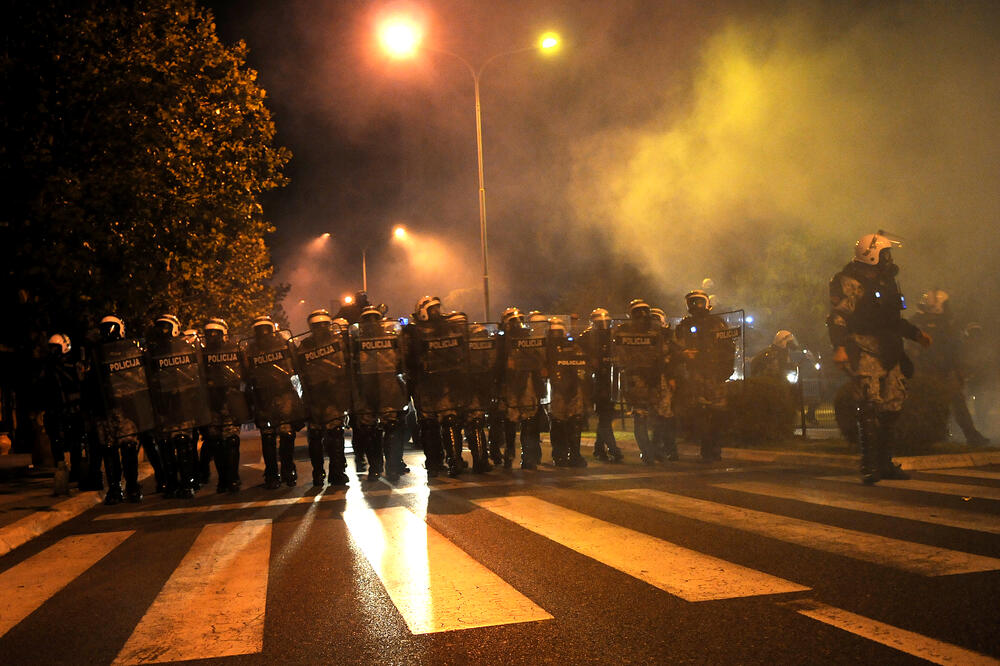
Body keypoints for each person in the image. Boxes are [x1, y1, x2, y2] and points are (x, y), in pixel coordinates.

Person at [827, 232, 932, 484]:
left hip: (890, 350)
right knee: (869, 406)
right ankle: (869, 466)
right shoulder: (850, 282)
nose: (889, 258)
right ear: (872, 254)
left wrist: (916, 335)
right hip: (864, 350)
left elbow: (893, 320)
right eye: (885, 254)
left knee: (892, 406)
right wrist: (839, 347)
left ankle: (885, 464)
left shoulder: (887, 283)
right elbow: (838, 318)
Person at [910, 290, 989, 445]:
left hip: (941, 369)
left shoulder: (940, 322)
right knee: (942, 404)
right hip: (930, 369)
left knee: (956, 403)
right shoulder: (932, 323)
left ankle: (970, 435)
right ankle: (960, 435)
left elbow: (953, 347)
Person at [146, 314, 212, 499]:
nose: (162, 331)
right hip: (164, 406)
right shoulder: (152, 351)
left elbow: (197, 375)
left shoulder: (185, 347)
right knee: (166, 446)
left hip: (184, 403)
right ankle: (171, 483)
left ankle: (189, 481)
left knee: (185, 443)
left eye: (165, 326)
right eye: (160, 327)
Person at [91, 315, 156, 504]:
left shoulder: (127, 351)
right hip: (108, 410)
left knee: (125, 448)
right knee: (113, 449)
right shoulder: (96, 354)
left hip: (122, 409)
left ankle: (129, 487)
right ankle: (118, 488)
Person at [405, 297, 470, 477]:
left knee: (448, 420)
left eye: (437, 309)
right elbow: (408, 359)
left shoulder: (446, 328)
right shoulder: (413, 332)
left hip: (444, 382)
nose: (437, 312)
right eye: (432, 309)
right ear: (423, 312)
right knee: (429, 424)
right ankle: (436, 463)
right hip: (425, 384)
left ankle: (453, 461)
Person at [243, 315, 306, 489]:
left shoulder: (284, 344)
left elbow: (297, 365)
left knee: (286, 434)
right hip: (263, 397)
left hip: (283, 394)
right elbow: (245, 375)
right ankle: (271, 473)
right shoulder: (250, 350)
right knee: (268, 435)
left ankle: (287, 469)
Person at [292, 310, 353, 486]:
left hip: (328, 396)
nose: (321, 329)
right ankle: (326, 473)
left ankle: (329, 473)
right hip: (318, 397)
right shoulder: (310, 345)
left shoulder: (309, 345)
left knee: (328, 435)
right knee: (324, 435)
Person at [352, 305, 409, 482]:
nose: (371, 323)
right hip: (373, 390)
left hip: (384, 389)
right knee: (372, 430)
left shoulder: (388, 338)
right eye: (368, 319)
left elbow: (402, 361)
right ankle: (380, 468)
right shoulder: (355, 342)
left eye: (373, 319)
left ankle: (387, 467)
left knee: (387, 427)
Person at [677, 290, 735, 462]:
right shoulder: (685, 325)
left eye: (699, 301)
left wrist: (726, 370)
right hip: (696, 376)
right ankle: (706, 448)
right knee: (701, 414)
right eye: (693, 302)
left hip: (715, 375)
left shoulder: (718, 323)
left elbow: (728, 347)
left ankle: (715, 449)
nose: (696, 305)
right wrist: (685, 354)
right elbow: (675, 348)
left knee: (717, 414)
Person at [613, 299, 670, 464]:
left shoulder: (654, 330)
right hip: (639, 380)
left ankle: (651, 452)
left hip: (648, 379)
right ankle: (650, 452)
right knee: (646, 416)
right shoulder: (626, 331)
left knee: (652, 417)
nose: (642, 316)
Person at [202, 317, 250, 493]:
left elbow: (246, 372)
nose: (212, 337)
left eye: (216, 333)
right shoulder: (201, 354)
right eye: (209, 334)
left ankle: (233, 478)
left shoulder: (236, 350)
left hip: (230, 401)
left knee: (231, 441)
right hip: (212, 403)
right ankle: (223, 480)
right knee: (216, 443)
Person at [497, 307, 545, 469]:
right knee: (510, 421)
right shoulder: (501, 342)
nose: (517, 325)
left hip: (528, 383)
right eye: (513, 322)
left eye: (519, 321)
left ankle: (528, 457)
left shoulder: (529, 338)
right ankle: (509, 453)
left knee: (529, 420)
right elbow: (497, 365)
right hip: (509, 385)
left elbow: (539, 360)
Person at [37, 333, 86, 486]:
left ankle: (76, 470)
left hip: (72, 409)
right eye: (51, 348)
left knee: (75, 441)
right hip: (54, 409)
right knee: (55, 440)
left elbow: (81, 385)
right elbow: (41, 387)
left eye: (56, 348)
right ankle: (61, 468)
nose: (53, 351)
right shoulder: (47, 366)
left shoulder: (73, 365)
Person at [578, 308, 624, 463]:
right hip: (596, 383)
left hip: (611, 382)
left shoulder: (613, 337)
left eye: (606, 322)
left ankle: (599, 448)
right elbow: (579, 356)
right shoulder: (586, 338)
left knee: (606, 418)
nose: (604, 325)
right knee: (605, 418)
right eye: (600, 322)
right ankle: (613, 449)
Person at [545, 318, 589, 467]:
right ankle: (560, 455)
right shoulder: (546, 349)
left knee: (574, 421)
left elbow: (582, 364)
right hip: (556, 389)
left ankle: (573, 454)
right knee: (558, 422)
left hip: (573, 388)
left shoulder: (572, 346)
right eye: (554, 333)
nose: (556, 336)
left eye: (558, 332)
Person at [465, 320, 498, 473]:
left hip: (475, 391)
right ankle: (480, 461)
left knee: (474, 424)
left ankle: (480, 459)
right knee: (476, 423)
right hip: (475, 391)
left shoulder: (471, 352)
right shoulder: (473, 353)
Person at [650, 307, 680, 461]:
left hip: (664, 381)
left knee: (664, 417)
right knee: (661, 417)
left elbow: (673, 358)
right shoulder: (648, 337)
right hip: (654, 381)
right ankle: (662, 449)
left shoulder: (668, 336)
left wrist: (671, 377)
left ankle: (665, 449)